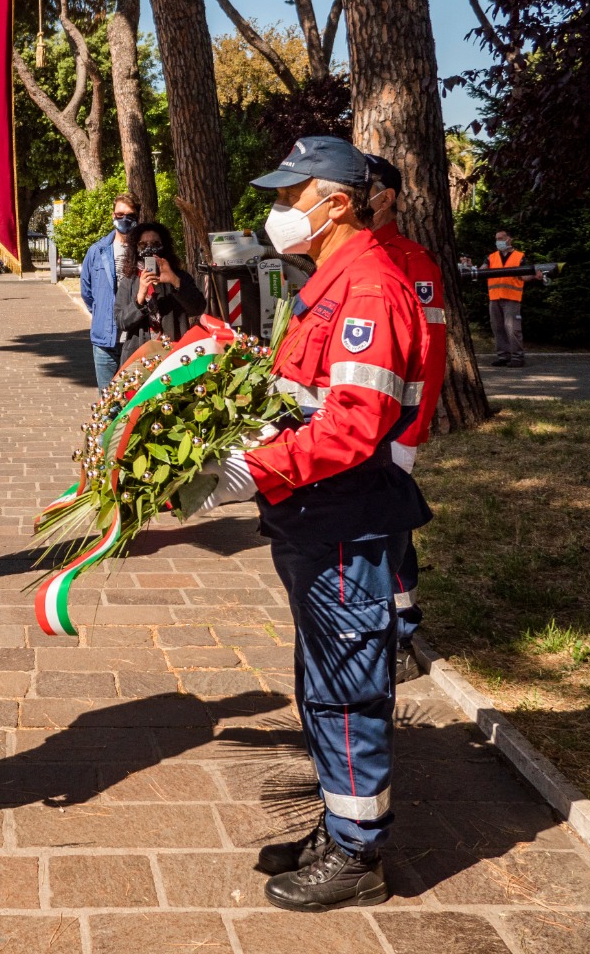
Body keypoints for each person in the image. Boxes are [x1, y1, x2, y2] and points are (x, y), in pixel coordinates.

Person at [198, 136, 429, 911]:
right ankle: (341, 829)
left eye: (288, 197)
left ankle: (359, 856)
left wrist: (249, 473)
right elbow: (302, 400)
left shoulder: (369, 289)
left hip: (345, 518)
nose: (276, 211)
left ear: (335, 203)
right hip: (317, 514)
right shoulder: (331, 281)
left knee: (347, 688)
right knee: (323, 680)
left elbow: (353, 427)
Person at [365, 155, 449, 685]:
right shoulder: (342, 259)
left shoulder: (412, 261)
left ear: (388, 197)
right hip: (346, 426)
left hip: (393, 427)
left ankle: (399, 634)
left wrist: (411, 431)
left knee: (390, 530)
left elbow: (430, 352)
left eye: (366, 186)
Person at [113, 222, 208, 363]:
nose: (149, 248)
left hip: (174, 355)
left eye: (155, 243)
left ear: (164, 246)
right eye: (143, 244)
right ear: (135, 248)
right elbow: (121, 322)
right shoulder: (129, 281)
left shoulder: (179, 277)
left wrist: (175, 281)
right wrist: (140, 298)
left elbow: (197, 308)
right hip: (138, 357)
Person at [78, 192, 140, 391]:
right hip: (105, 339)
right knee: (108, 401)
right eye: (120, 214)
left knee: (134, 400)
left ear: (137, 217)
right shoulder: (97, 250)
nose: (124, 219)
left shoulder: (144, 251)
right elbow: (87, 291)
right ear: (113, 216)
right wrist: (102, 313)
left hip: (136, 338)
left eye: (130, 215)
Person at [487, 229, 534, 367]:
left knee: (513, 329)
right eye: (497, 239)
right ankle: (503, 356)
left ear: (509, 239)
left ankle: (517, 357)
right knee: (498, 328)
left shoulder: (519, 257)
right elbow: (482, 270)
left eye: (501, 238)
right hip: (494, 298)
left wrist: (533, 275)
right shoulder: (491, 257)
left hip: (511, 298)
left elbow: (526, 276)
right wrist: (470, 268)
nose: (498, 241)